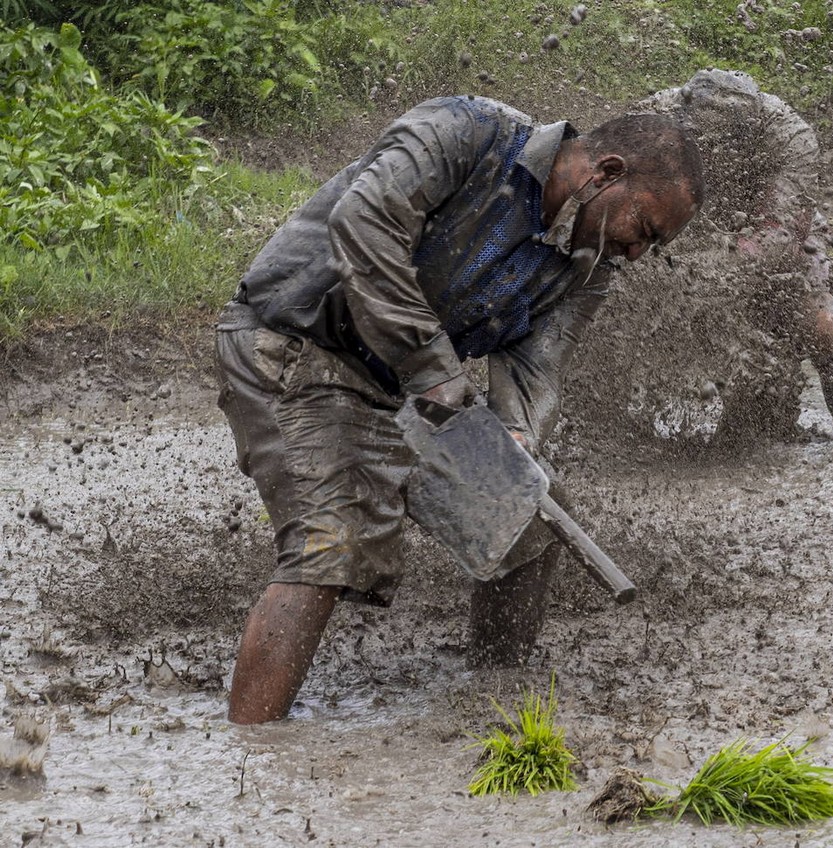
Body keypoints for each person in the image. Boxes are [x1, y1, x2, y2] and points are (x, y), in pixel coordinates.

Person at [214, 95, 704, 724]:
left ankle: (494, 703)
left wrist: (516, 437)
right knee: (330, 538)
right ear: (605, 174)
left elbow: (533, 369)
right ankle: (252, 751)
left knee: (525, 517)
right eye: (646, 229)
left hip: (404, 385)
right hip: (293, 343)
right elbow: (362, 224)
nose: (638, 254)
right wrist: (432, 368)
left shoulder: (588, 268)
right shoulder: (464, 132)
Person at [638, 69, 833, 446]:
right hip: (675, 232)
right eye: (699, 141)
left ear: (744, 136)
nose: (707, 153)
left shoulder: (790, 136)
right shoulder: (646, 121)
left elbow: (780, 234)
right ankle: (609, 441)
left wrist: (704, 275)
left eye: (718, 145)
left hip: (772, 235)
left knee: (825, 325)